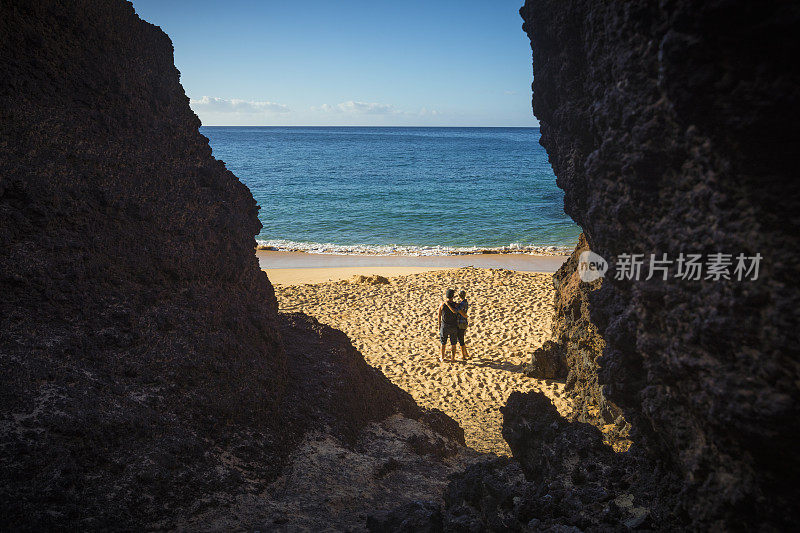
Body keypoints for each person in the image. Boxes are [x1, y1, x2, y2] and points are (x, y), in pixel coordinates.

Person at [437, 289, 459, 362]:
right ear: (453, 296)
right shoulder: (455, 305)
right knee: (453, 343)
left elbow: (439, 316)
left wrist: (439, 326)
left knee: (443, 343)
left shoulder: (442, 305)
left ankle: (442, 357)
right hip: (453, 326)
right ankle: (453, 358)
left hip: (444, 326)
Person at [454, 290, 469, 361]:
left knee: (460, 339)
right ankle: (466, 353)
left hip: (461, 322)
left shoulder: (461, 305)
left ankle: (463, 355)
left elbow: (457, 310)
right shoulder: (465, 303)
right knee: (461, 337)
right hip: (464, 322)